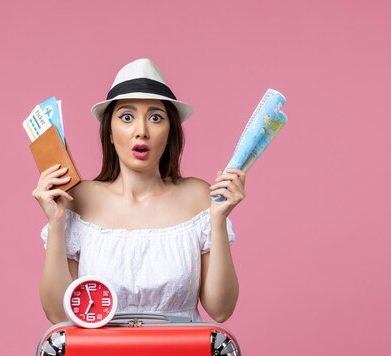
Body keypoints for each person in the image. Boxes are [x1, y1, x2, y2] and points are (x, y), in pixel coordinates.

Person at [33, 58, 246, 323]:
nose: (141, 131)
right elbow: (58, 314)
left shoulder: (198, 196)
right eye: (126, 117)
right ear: (109, 132)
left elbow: (221, 309)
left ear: (170, 133)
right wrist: (56, 223)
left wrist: (218, 219)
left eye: (156, 117)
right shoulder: (78, 199)